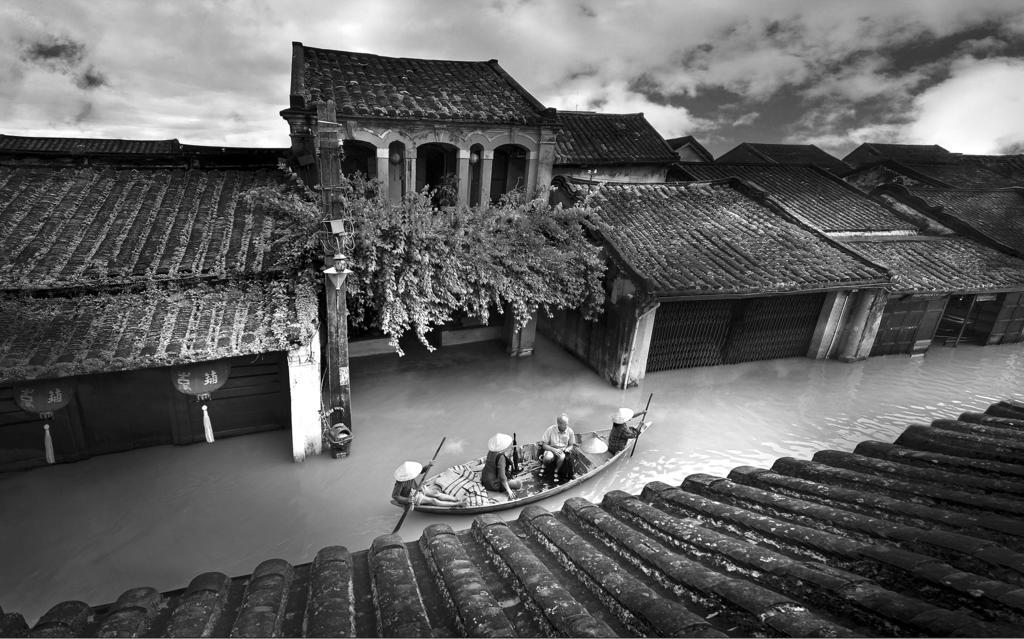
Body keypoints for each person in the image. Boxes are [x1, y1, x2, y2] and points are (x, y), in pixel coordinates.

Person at [391, 460, 465, 508]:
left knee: (436, 493)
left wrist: (428, 465)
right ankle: (457, 504)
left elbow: (421, 471)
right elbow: (395, 496)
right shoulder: (400, 483)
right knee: (433, 500)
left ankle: (455, 499)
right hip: (411, 495)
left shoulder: (410, 474)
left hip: (417, 488)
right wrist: (408, 500)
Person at [481, 433, 523, 501]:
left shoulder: (490, 452)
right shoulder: (500, 457)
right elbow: (502, 476)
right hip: (494, 484)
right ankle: (503, 489)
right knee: (519, 484)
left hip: (485, 481)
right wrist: (509, 490)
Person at [541, 413, 575, 483]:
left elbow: (571, 445)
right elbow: (544, 445)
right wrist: (553, 450)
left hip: (562, 450)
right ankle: (544, 465)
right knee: (548, 457)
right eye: (565, 424)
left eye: (567, 424)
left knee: (562, 457)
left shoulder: (570, 431)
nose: (567, 426)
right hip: (551, 448)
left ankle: (556, 470)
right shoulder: (550, 430)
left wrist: (567, 449)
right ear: (558, 424)